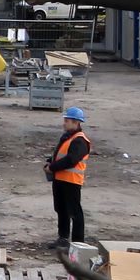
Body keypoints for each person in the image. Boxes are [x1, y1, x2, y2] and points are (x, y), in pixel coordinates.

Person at [46, 106, 91, 249]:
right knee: (61, 209)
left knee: (74, 212)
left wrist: (52, 167)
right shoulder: (68, 137)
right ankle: (63, 238)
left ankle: (78, 243)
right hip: (60, 179)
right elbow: (61, 155)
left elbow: (71, 160)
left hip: (71, 181)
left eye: (67, 121)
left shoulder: (80, 141)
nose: (64, 123)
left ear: (76, 122)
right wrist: (50, 162)